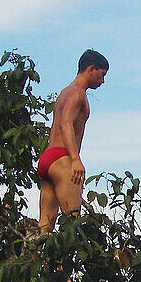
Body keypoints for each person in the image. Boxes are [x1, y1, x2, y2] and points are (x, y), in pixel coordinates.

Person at [37, 49, 109, 234]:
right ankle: (63, 263)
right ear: (91, 69)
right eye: (102, 75)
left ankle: (35, 258)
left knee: (45, 225)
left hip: (47, 158)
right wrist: (75, 159)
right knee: (72, 224)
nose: (102, 81)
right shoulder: (77, 93)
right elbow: (65, 123)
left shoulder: (64, 92)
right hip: (62, 158)